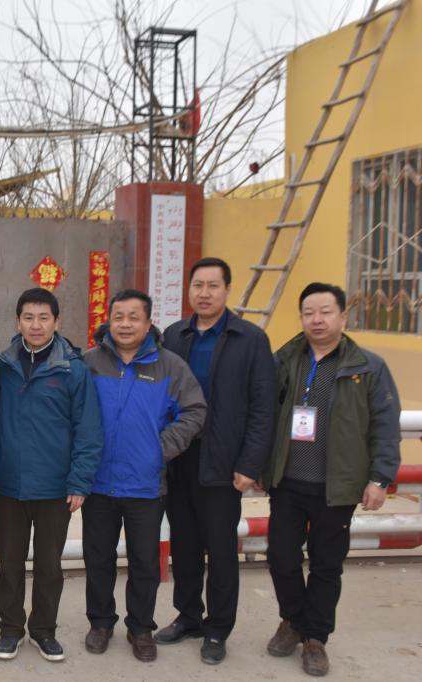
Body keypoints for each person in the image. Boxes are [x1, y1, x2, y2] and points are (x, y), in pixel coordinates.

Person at [261, 282, 401, 677]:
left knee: (326, 566)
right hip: (287, 480)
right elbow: (263, 414)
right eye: (309, 313)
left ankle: (315, 638)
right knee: (281, 558)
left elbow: (385, 425)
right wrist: (258, 465)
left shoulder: (367, 367)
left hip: (336, 486)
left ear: (343, 316)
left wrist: (380, 478)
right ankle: (292, 620)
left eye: (325, 312)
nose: (317, 320)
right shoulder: (285, 360)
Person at [158, 257, 275, 664]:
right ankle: (189, 616)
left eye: (213, 286)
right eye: (198, 285)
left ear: (227, 290)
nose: (204, 293)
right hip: (179, 458)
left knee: (221, 550)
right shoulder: (175, 336)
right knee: (184, 543)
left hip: (224, 462)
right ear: (188, 290)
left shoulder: (250, 339)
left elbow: (263, 407)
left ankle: (218, 628)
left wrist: (250, 463)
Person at [81, 289, 206, 663]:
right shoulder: (89, 363)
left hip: (146, 485)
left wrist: (159, 448)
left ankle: (140, 628)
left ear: (149, 323)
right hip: (98, 482)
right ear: (109, 320)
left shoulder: (169, 366)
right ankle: (100, 623)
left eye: (134, 317)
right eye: (118, 316)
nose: (125, 324)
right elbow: (71, 413)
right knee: (98, 559)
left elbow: (195, 411)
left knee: (145, 563)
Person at [0, 288, 102, 663]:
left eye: (43, 318)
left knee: (49, 566)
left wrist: (79, 481)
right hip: (10, 484)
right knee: (9, 563)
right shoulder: (2, 366)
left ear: (56, 321)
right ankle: (10, 630)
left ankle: (43, 631)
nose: (35, 325)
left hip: (55, 487)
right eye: (28, 317)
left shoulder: (72, 370)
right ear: (18, 321)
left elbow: (88, 430)